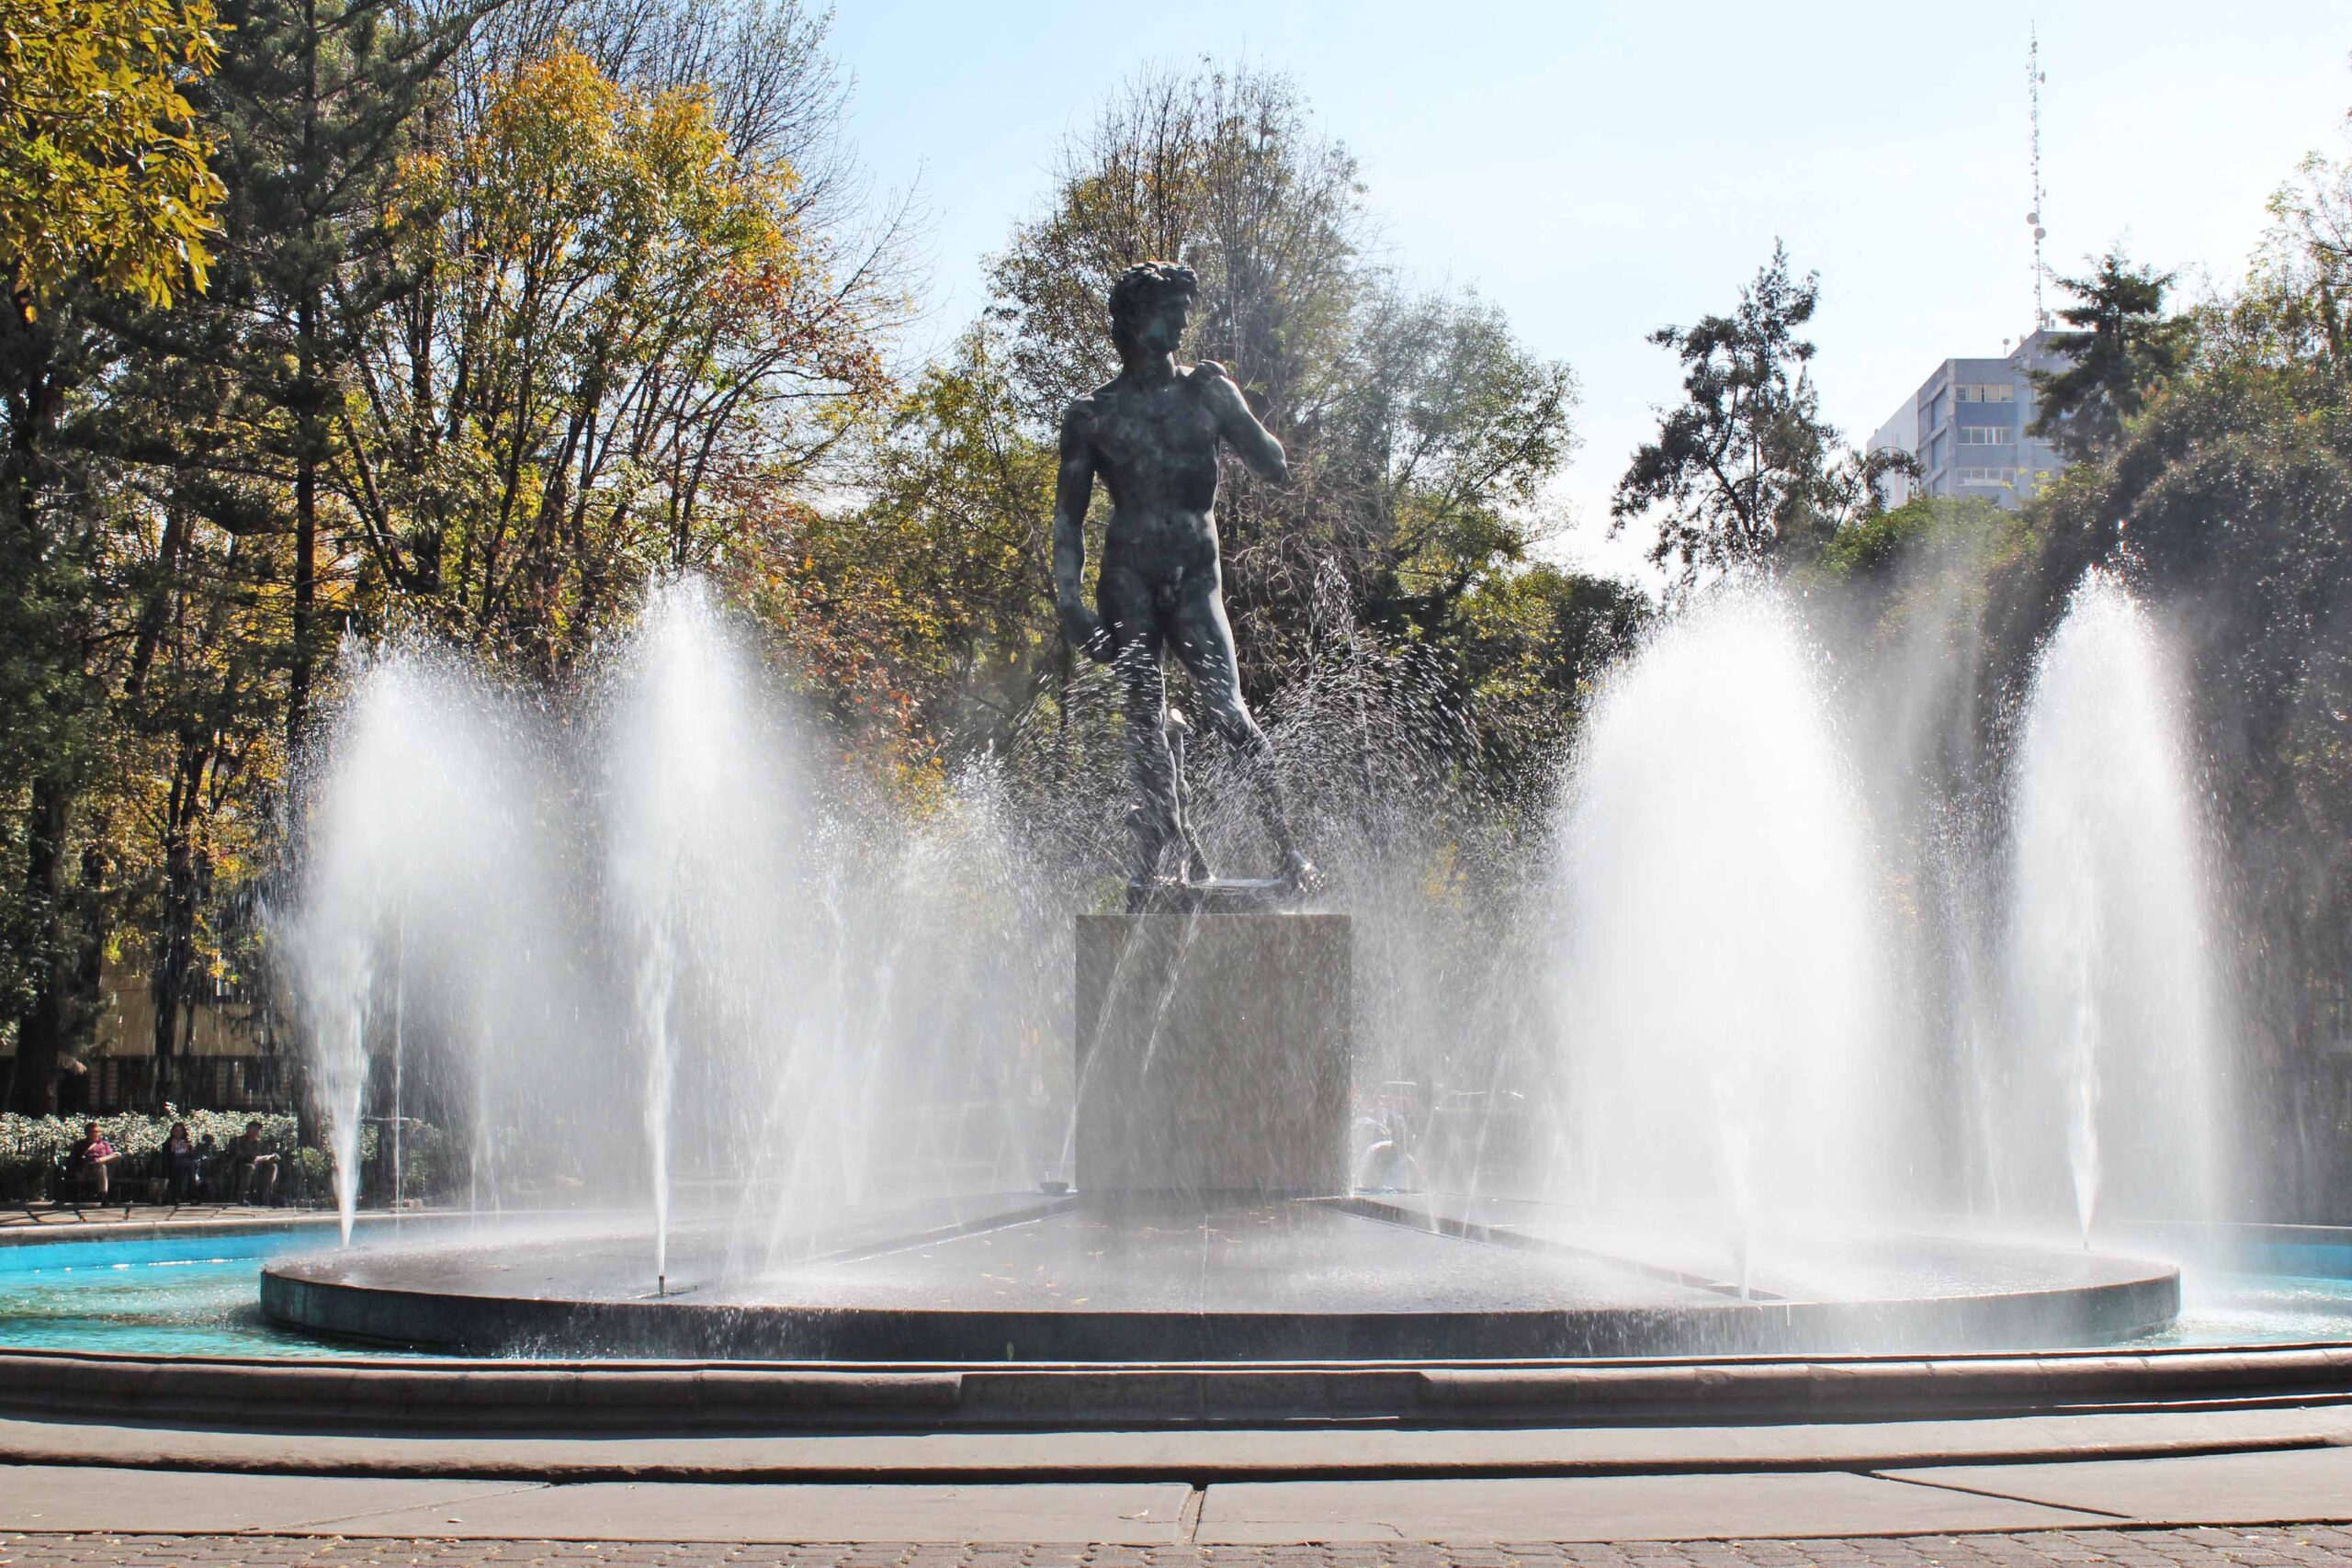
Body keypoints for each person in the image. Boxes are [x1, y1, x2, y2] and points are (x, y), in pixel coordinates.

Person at [1050, 260, 1314, 903]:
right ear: (1137, 322)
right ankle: (1153, 854)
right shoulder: (1093, 415)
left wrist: (1236, 410)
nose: (1186, 320)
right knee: (1142, 720)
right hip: (1128, 578)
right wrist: (1069, 600)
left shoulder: (1207, 392)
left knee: (1229, 709)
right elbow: (1068, 518)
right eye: (1173, 309)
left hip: (1196, 576)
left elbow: (1275, 463)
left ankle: (1291, 853)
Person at [226, 1121, 279, 1204]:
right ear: (247, 1129)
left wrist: (270, 1157)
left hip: (258, 1165)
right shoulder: (237, 1141)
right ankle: (244, 1196)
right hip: (239, 1165)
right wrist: (257, 1157)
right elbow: (238, 1155)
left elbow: (264, 1155)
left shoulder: (260, 1144)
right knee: (249, 1167)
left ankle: (266, 1195)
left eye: (258, 1129)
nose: (256, 1131)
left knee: (272, 1166)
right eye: (254, 1129)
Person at [65, 1122, 120, 1201]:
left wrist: (99, 1161)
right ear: (86, 1133)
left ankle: (102, 1194)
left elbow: (110, 1156)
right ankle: (102, 1194)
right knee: (102, 1167)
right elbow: (74, 1160)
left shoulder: (104, 1144)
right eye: (91, 1132)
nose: (94, 1134)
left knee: (115, 1156)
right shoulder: (80, 1144)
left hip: (100, 1167)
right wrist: (77, 1172)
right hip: (85, 1168)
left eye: (96, 1132)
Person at [161, 1122, 203, 1204]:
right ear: (172, 1132)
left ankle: (193, 1196)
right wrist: (172, 1148)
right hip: (172, 1165)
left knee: (190, 1171)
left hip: (186, 1165)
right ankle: (176, 1196)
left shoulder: (186, 1143)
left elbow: (191, 1157)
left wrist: (187, 1149)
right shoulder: (168, 1143)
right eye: (176, 1131)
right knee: (179, 1171)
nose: (178, 1133)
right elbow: (166, 1157)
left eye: (180, 1131)